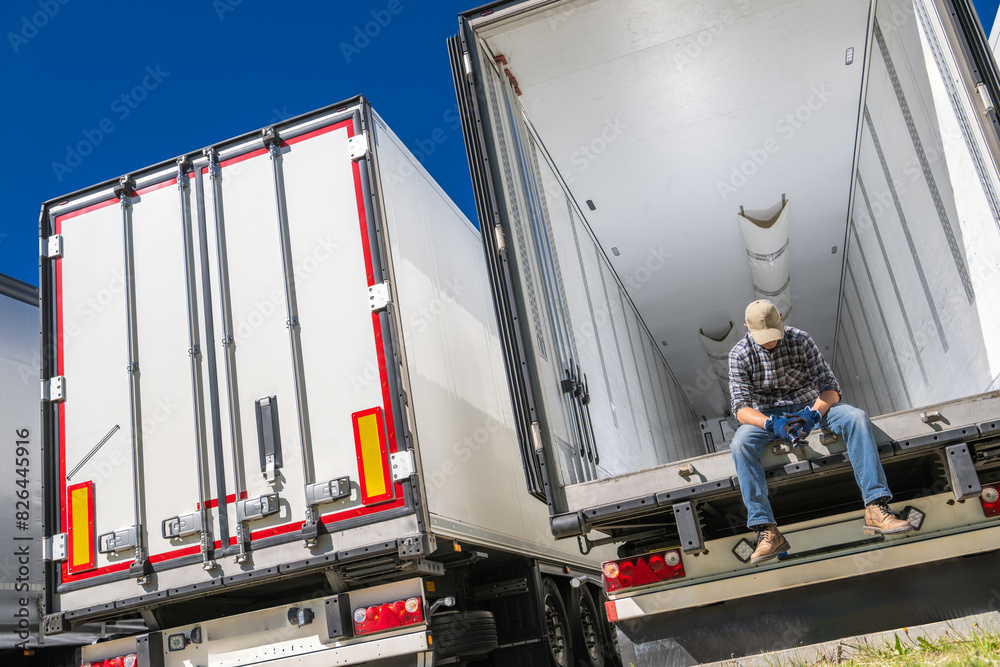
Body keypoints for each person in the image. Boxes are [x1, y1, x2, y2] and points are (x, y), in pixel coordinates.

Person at [728, 299, 913, 565]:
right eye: (762, 338)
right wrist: (771, 424)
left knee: (856, 418)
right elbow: (741, 408)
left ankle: (875, 506)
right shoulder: (739, 355)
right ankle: (766, 530)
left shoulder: (801, 340)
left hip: (810, 405)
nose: (770, 342)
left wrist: (813, 414)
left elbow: (830, 388)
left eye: (773, 335)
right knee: (740, 445)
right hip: (766, 415)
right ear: (747, 328)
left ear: (781, 317)